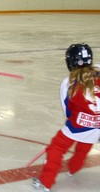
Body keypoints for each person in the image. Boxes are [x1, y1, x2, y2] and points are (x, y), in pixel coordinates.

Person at [32, 43, 100, 192]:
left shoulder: (69, 83)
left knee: (56, 148)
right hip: (98, 127)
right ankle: (74, 168)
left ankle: (45, 181)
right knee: (85, 145)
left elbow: (68, 112)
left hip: (78, 126)